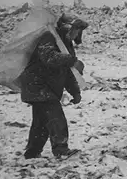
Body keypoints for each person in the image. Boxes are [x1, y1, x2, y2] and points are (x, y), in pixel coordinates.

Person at [19, 13, 88, 159]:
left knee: (41, 121)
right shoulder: (49, 37)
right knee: (56, 117)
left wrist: (75, 92)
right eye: (76, 30)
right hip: (37, 84)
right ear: (67, 28)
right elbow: (49, 57)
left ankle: (32, 152)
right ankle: (61, 150)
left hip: (46, 87)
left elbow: (68, 71)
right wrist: (71, 60)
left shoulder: (66, 44)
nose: (77, 34)